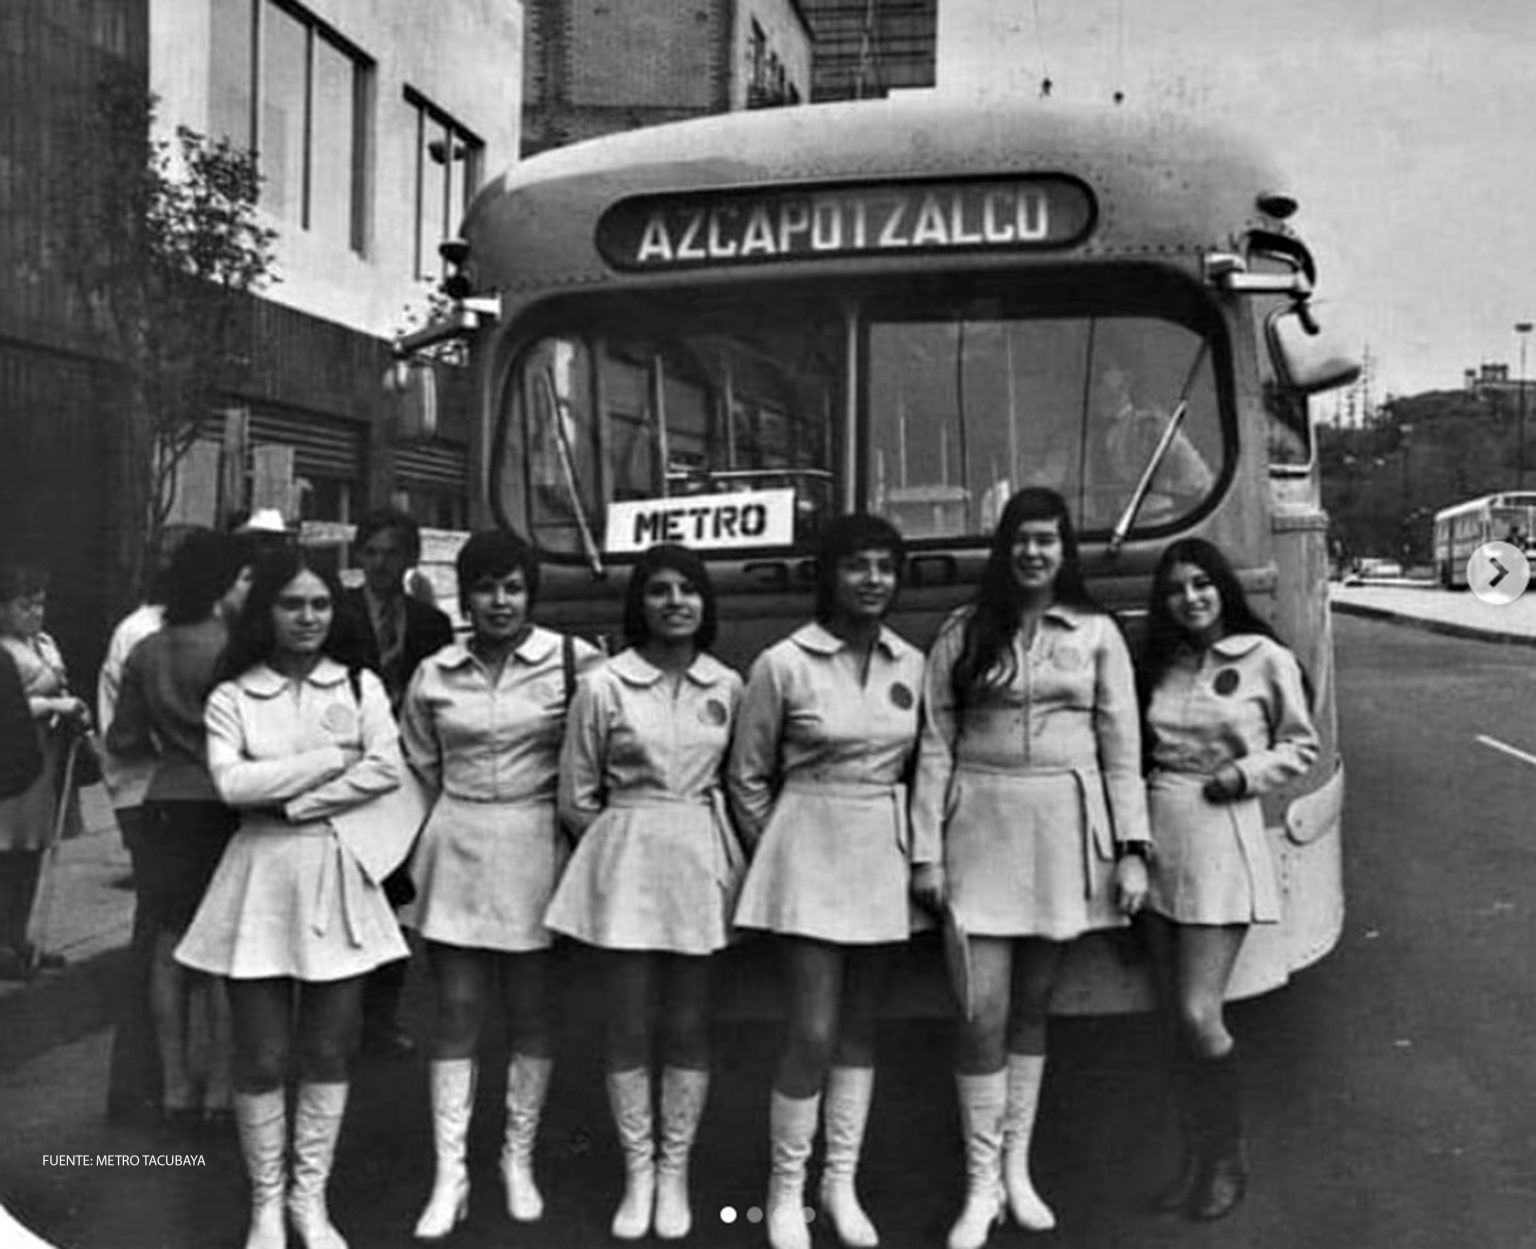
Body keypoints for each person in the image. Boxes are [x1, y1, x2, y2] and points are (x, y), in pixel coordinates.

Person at [909, 487, 1150, 1249]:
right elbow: (935, 742)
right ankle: (979, 1185)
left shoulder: (1096, 632)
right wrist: (926, 849)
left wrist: (1133, 849)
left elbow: (1122, 749)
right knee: (980, 1011)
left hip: (1062, 831)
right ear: (1003, 549)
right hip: (978, 826)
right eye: (1021, 539)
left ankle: (1017, 1171)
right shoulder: (963, 629)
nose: (1033, 552)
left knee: (1034, 1007)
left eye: (1047, 539)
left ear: (1064, 550)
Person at [175, 549, 410, 1249]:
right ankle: (266, 1207)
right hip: (258, 875)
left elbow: (387, 768)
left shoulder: (361, 684)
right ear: (265, 612)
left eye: (319, 604)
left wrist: (297, 801)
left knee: (330, 1051)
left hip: (337, 870)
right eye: (291, 603)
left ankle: (310, 1201)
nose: (308, 617)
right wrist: (332, 761)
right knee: (261, 1058)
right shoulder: (233, 695)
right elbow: (232, 785)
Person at [728, 514, 924, 1249]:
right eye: (856, 565)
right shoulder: (783, 663)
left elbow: (923, 768)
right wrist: (782, 854)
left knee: (860, 1028)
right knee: (811, 1030)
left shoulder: (913, 663)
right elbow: (747, 777)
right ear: (829, 576)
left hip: (881, 856)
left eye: (884, 566)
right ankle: (785, 1193)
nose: (872, 579)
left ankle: (839, 1185)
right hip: (806, 857)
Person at [400, 530, 600, 1241]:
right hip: (456, 844)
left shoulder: (576, 662)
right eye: (485, 587)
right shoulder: (434, 674)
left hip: (535, 843)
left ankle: (517, 1159)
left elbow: (594, 756)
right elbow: (418, 768)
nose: (500, 601)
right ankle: (450, 1174)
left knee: (530, 1011)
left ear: (530, 593)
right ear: (465, 596)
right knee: (456, 1011)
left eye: (513, 587)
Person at [546, 543, 743, 1242]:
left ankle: (673, 1169)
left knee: (688, 1023)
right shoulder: (604, 685)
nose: (675, 602)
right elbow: (577, 794)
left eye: (688, 590)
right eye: (659, 590)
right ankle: (638, 1172)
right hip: (627, 862)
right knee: (628, 1022)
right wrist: (622, 851)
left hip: (698, 863)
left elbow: (741, 781)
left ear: (704, 602)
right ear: (641, 603)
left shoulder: (728, 685)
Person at [1136, 538, 1319, 1221]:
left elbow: (1300, 744)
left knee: (1198, 1012)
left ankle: (1227, 1159)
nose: (1190, 598)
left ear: (1222, 588)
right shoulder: (1163, 664)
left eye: (1201, 584)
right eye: (1176, 588)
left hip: (1221, 836)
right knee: (1170, 1020)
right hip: (1158, 835)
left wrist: (1243, 774)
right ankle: (1194, 1158)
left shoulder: (1265, 658)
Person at [106, 530, 253, 1127]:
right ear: (220, 583)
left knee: (169, 946)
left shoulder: (148, 650)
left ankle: (174, 1085)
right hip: (224, 803)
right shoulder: (237, 650)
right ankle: (219, 1085)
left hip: (166, 802)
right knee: (221, 949)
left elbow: (123, 739)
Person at [345, 507, 455, 1060]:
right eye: (371, 552)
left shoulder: (431, 624)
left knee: (394, 898)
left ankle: (379, 1020)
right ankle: (334, 1017)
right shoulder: (337, 613)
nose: (381, 564)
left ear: (410, 558)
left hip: (408, 773)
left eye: (392, 553)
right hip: (349, 770)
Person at [0, 562, 91, 979]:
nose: (35, 613)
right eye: (24, 605)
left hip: (46, 754)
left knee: (33, 849)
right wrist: (54, 705)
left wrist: (71, 709)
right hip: (11, 755)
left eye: (40, 603)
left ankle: (18, 936)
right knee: (7, 850)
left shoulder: (43, 643)